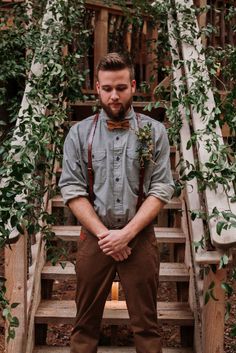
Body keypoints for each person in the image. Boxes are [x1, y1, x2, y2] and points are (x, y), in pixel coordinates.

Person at [59, 52, 175, 353]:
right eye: (107, 88)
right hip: (94, 238)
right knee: (84, 327)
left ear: (133, 86)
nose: (114, 96)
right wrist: (105, 235)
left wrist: (127, 234)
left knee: (147, 328)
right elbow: (72, 189)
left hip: (140, 237)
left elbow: (161, 188)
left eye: (121, 88)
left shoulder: (155, 132)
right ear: (97, 88)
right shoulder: (78, 134)